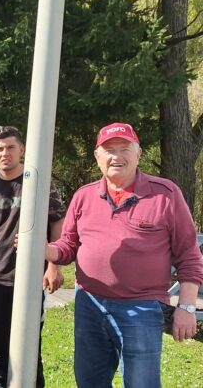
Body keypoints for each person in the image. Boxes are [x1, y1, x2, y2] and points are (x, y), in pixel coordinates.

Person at [45, 122, 203, 388]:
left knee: (142, 384)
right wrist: (41, 249)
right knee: (89, 382)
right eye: (109, 150)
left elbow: (189, 255)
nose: (116, 156)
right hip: (89, 305)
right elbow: (68, 247)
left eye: (124, 149)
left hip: (142, 306)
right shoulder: (83, 197)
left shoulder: (165, 194)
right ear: (97, 157)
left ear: (138, 154)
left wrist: (187, 308)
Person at [0, 125, 65, 388]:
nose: (5, 153)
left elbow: (58, 223)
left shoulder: (39, 182)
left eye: (11, 147)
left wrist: (53, 265)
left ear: (21, 149)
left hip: (30, 277)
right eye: (0, 149)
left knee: (29, 349)